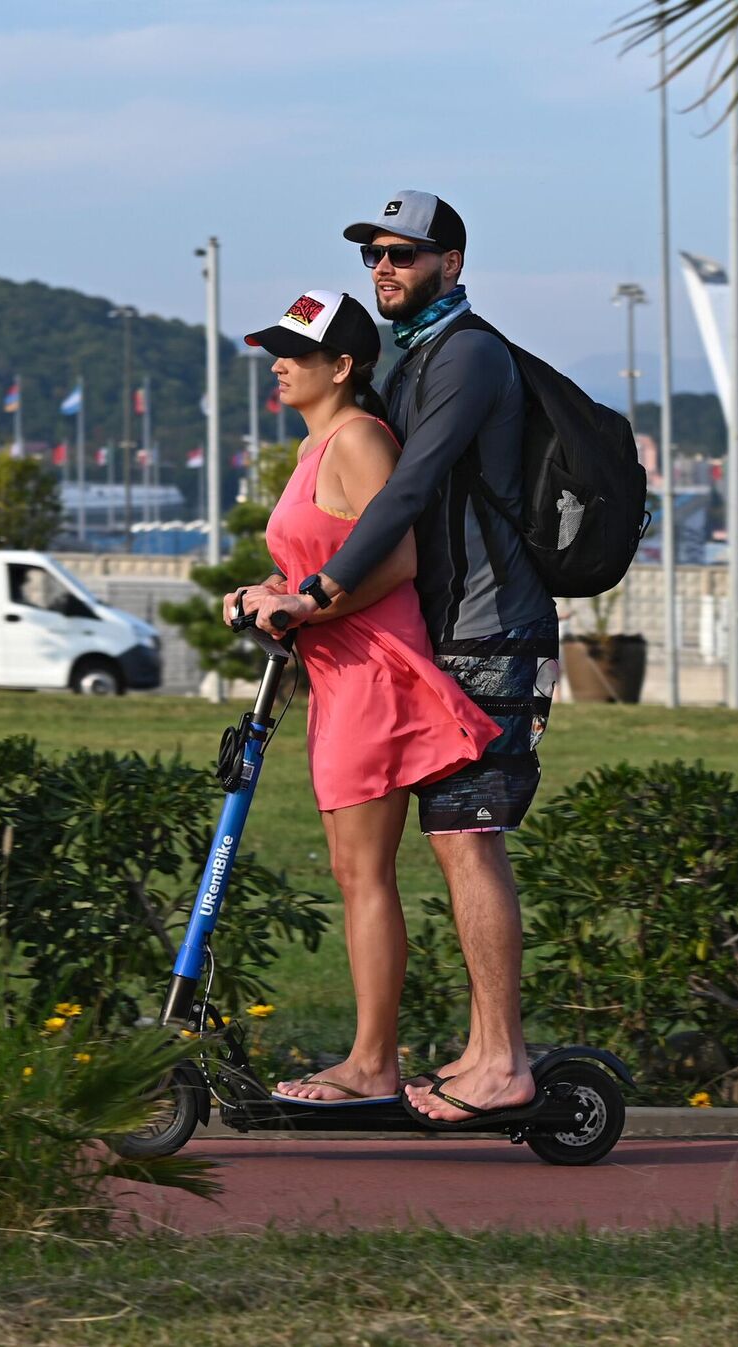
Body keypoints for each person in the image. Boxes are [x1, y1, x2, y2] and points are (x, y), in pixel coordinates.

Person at [248, 193, 558, 1126]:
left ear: (451, 264)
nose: (384, 268)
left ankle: (501, 1060)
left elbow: (409, 491)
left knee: (468, 838)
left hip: (491, 626)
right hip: (447, 630)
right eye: (374, 255)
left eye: (405, 255)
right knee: (448, 841)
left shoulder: (466, 354)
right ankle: (474, 1054)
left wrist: (321, 591)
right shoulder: (418, 358)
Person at [227, 289, 499, 1108]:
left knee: (365, 873)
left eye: (294, 352)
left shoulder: (358, 439)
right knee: (354, 872)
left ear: (342, 366)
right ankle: (370, 1055)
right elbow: (324, 554)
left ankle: (373, 1062)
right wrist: (266, 591)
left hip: (374, 672)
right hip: (337, 674)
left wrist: (308, 601)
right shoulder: (317, 447)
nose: (277, 364)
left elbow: (398, 559)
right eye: (276, 349)